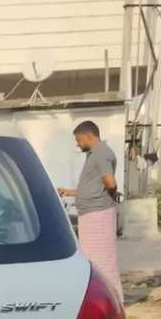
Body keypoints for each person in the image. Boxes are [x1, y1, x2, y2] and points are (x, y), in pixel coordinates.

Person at [58, 121, 123, 302]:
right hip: (91, 213)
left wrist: (106, 196)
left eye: (79, 140)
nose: (77, 144)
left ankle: (113, 301)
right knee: (92, 260)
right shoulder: (95, 154)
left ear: (88, 136)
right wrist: (69, 192)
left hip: (99, 214)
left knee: (103, 261)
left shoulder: (101, 154)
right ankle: (100, 299)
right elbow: (94, 187)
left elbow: (110, 183)